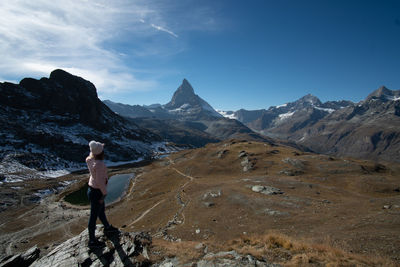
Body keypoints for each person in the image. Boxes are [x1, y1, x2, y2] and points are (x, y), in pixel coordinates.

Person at [86, 140, 118, 248]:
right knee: (93, 216)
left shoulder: (90, 160)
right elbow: (100, 182)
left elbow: (91, 155)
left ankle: (107, 227)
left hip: (92, 189)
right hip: (97, 192)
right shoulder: (99, 165)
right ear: (100, 153)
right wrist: (104, 194)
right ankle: (92, 241)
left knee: (100, 211)